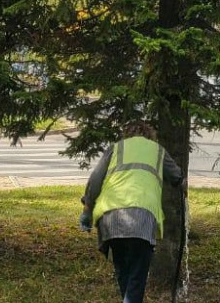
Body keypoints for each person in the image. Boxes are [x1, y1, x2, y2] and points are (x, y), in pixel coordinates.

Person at [79, 121, 184, 303]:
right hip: (143, 218)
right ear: (150, 135)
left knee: (123, 272)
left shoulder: (116, 148)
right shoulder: (157, 150)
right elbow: (176, 177)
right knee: (136, 276)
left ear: (126, 135)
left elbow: (95, 180)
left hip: (111, 217)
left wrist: (87, 209)